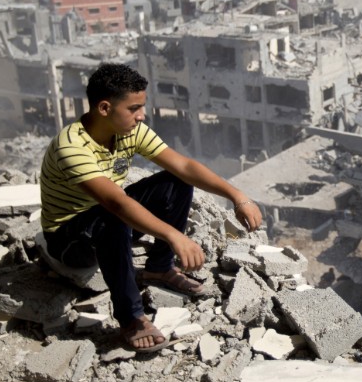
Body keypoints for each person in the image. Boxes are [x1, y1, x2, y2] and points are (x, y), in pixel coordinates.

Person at [39, 64, 262, 352]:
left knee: (176, 181)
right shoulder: (71, 147)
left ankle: (158, 268)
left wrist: (237, 196)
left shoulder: (130, 132)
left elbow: (183, 166)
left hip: (107, 217)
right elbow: (115, 202)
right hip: (70, 239)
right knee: (113, 215)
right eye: (134, 108)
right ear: (104, 108)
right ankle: (132, 318)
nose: (141, 115)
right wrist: (174, 235)